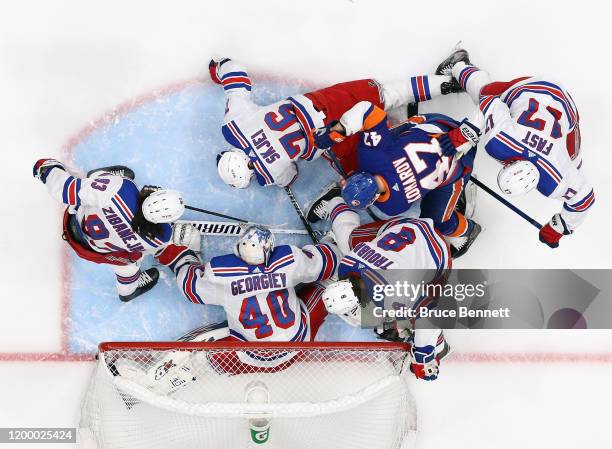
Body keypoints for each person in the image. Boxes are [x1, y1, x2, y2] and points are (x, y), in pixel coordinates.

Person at [113, 225, 343, 392]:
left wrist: (181, 254)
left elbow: (190, 287)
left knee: (199, 346)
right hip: (296, 347)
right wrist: (330, 245)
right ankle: (176, 378)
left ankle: (152, 379)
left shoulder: (222, 274)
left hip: (249, 355)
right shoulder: (289, 260)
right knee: (330, 288)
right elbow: (326, 262)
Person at [211, 57, 462, 187]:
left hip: (332, 138)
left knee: (367, 167)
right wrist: (218, 67)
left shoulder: (268, 174)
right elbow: (236, 76)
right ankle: (449, 83)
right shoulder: (233, 126)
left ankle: (409, 130)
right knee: (385, 95)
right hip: (325, 103)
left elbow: (291, 176)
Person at [436, 47, 594, 248]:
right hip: (546, 98)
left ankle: (460, 65)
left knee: (572, 163)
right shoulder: (502, 144)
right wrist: (466, 133)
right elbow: (489, 102)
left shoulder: (551, 177)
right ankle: (459, 65)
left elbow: (490, 103)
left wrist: (560, 226)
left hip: (552, 100)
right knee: (485, 91)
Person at [307, 184, 451, 381]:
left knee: (421, 310)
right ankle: (336, 201)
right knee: (348, 240)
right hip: (409, 228)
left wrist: (423, 356)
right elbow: (344, 233)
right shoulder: (351, 262)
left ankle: (439, 344)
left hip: (437, 255)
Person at [311, 100, 483, 258]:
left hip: (462, 161)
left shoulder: (393, 206)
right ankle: (341, 195)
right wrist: (338, 131)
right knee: (369, 141)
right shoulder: (370, 155)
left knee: (438, 222)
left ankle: (469, 230)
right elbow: (367, 110)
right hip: (438, 126)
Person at [33, 160, 197, 301]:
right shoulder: (160, 238)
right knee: (128, 262)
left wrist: (47, 169)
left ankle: (99, 176)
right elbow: (141, 251)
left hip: (74, 226)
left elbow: (66, 190)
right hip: (99, 251)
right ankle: (128, 292)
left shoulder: (121, 188)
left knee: (99, 185)